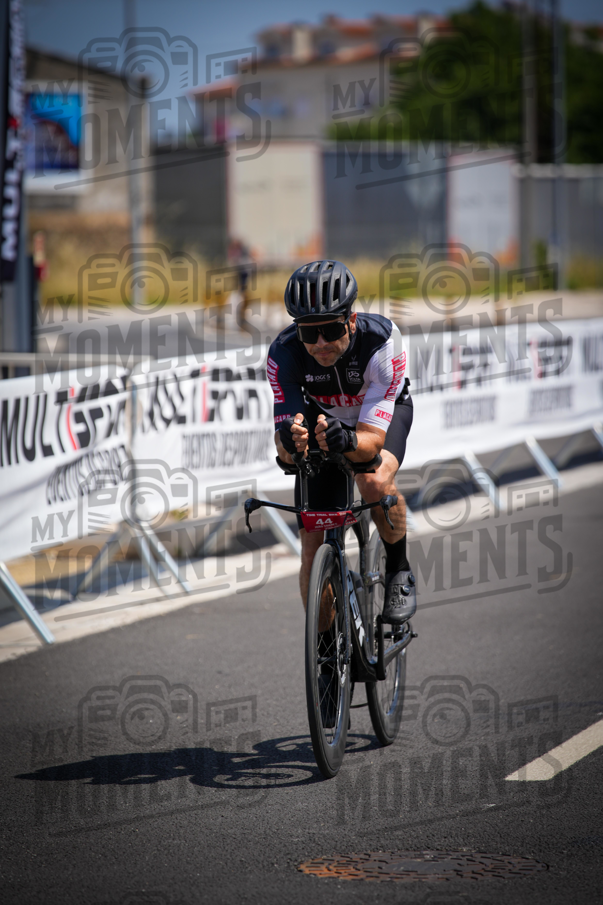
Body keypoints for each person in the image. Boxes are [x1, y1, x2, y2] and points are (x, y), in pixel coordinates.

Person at [266, 259, 416, 624]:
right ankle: (324, 649)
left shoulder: (382, 342)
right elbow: (285, 452)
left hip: (380, 416)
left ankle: (399, 570)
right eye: (308, 333)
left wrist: (347, 439)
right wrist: (290, 439)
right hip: (324, 421)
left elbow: (370, 444)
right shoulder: (283, 353)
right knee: (311, 546)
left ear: (350, 319)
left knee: (373, 479)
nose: (320, 344)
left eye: (331, 329)